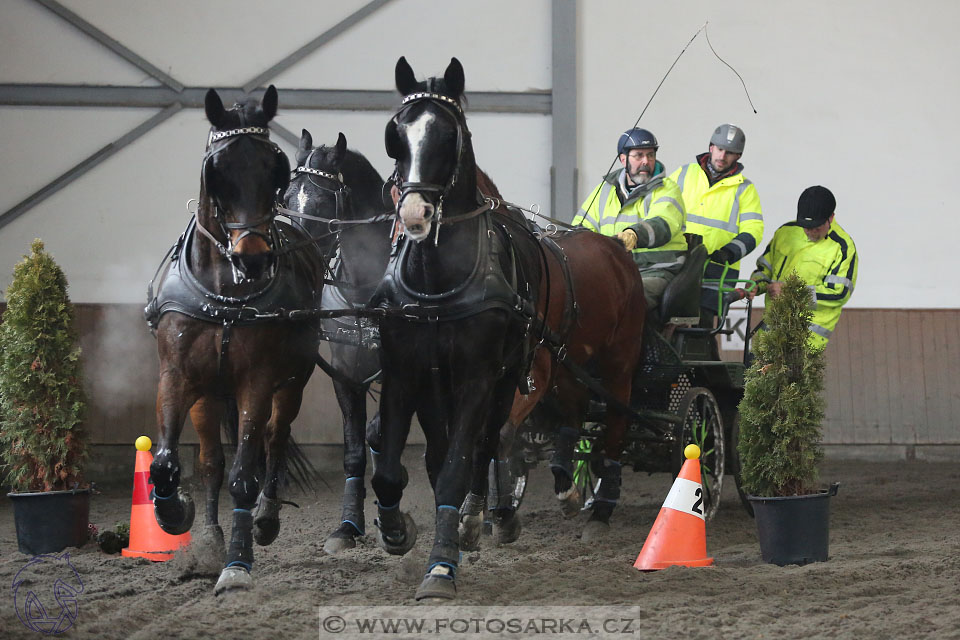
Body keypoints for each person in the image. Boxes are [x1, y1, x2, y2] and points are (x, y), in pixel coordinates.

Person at [573, 127, 686, 312]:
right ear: (623, 159)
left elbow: (663, 223)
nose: (645, 161)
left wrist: (634, 234)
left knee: (627, 298)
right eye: (638, 155)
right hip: (613, 269)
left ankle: (642, 341)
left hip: (655, 269)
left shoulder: (667, 189)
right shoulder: (605, 190)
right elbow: (581, 227)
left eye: (650, 155)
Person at [669, 123, 764, 316]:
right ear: (711, 147)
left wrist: (729, 253)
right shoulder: (683, 174)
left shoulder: (745, 189)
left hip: (717, 270)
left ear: (738, 156)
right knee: (665, 316)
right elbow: (662, 209)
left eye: (729, 152)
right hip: (677, 262)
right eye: (719, 149)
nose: (722, 156)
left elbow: (754, 230)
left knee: (703, 329)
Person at [750, 185, 858, 348]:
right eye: (806, 227)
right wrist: (756, 285)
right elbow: (765, 268)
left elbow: (838, 293)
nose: (810, 232)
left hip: (806, 338)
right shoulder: (785, 232)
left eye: (817, 228)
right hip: (771, 328)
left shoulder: (842, 248)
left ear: (831, 217)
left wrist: (790, 292)